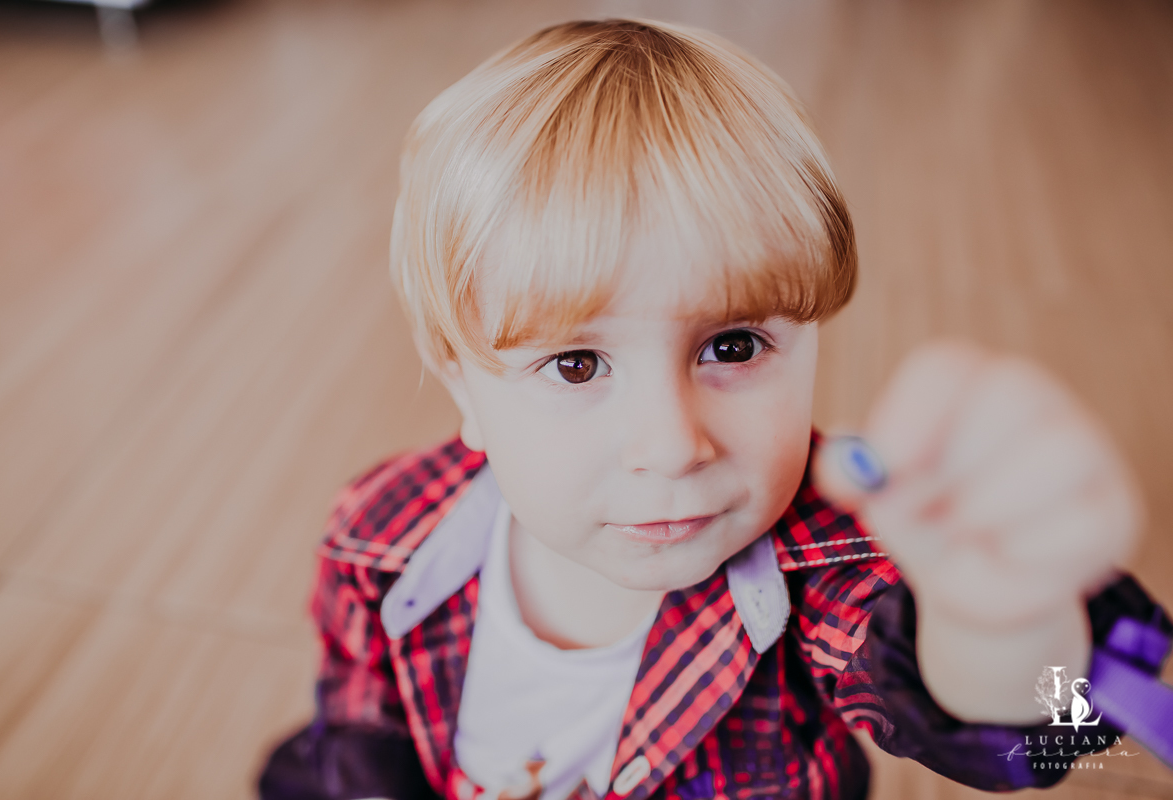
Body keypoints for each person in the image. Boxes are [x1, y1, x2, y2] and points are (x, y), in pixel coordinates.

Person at [258, 18, 1170, 800]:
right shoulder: (377, 542)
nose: (671, 446)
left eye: (732, 347)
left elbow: (1036, 735)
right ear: (461, 385)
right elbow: (360, 750)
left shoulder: (829, 571)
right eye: (576, 364)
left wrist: (1002, 620)